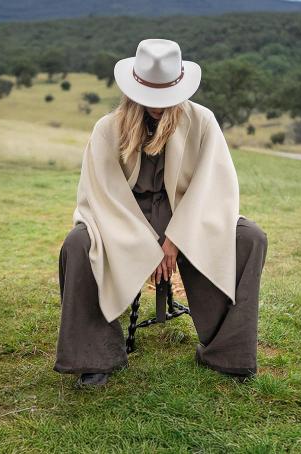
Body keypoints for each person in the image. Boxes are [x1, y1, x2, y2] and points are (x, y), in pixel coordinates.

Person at [54, 39, 268, 387]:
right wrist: (144, 243)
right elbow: (103, 196)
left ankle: (227, 353)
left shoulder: (202, 121)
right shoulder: (108, 128)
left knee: (250, 238)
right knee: (78, 244)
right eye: (151, 96)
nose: (158, 106)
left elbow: (213, 188)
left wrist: (174, 240)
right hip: (123, 218)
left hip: (188, 214)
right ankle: (96, 356)